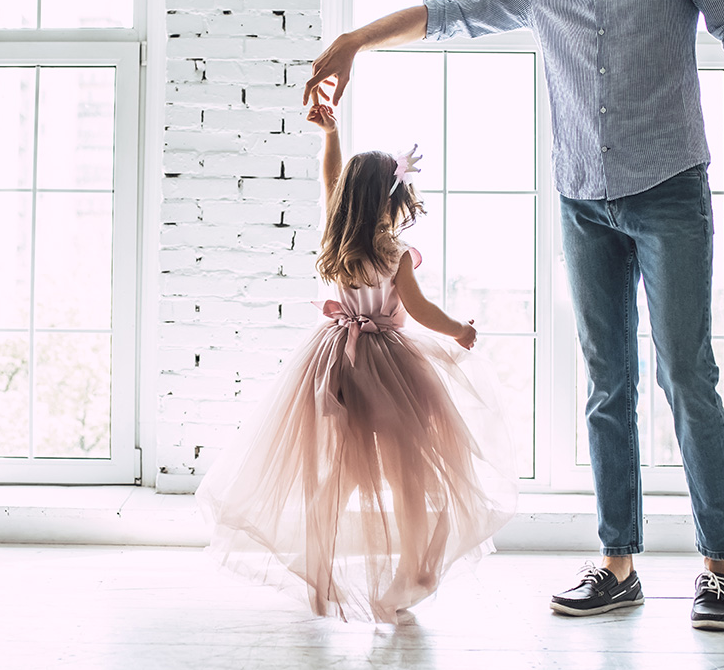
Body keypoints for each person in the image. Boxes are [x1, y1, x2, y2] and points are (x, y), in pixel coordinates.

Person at [303, 0, 724, 632]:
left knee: (688, 375)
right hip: (583, 203)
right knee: (606, 383)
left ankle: (720, 569)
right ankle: (618, 565)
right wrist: (353, 43)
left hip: (670, 194)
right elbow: (447, 15)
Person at [196, 102, 516, 624]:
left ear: (348, 198)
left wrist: (331, 136)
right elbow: (417, 309)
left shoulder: (335, 238)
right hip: (389, 370)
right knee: (410, 472)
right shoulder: (394, 252)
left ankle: (317, 566)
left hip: (335, 361)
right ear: (391, 199)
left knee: (337, 472)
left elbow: (328, 180)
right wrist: (460, 330)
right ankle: (415, 570)